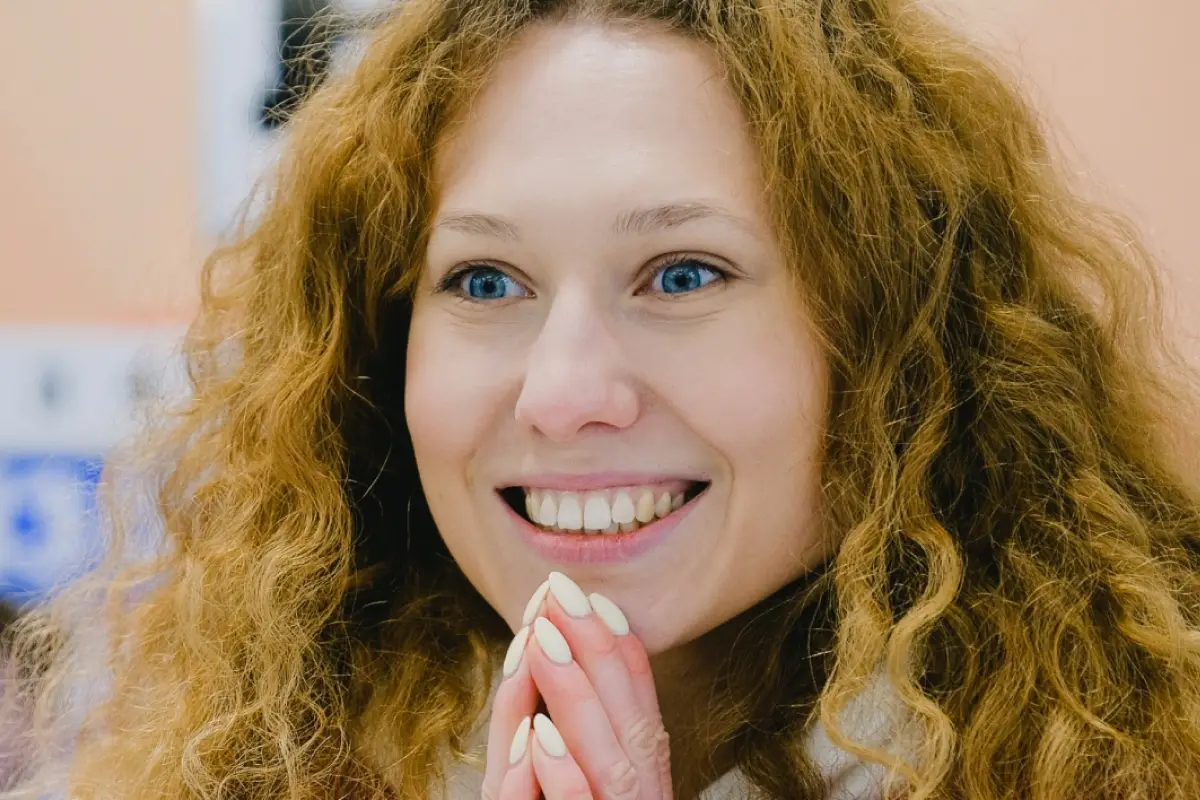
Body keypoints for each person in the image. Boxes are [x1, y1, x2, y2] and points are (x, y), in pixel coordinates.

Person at [8, 0, 1200, 798]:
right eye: (485, 279)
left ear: (894, 337)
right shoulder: (250, 755)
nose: (566, 390)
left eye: (683, 273)